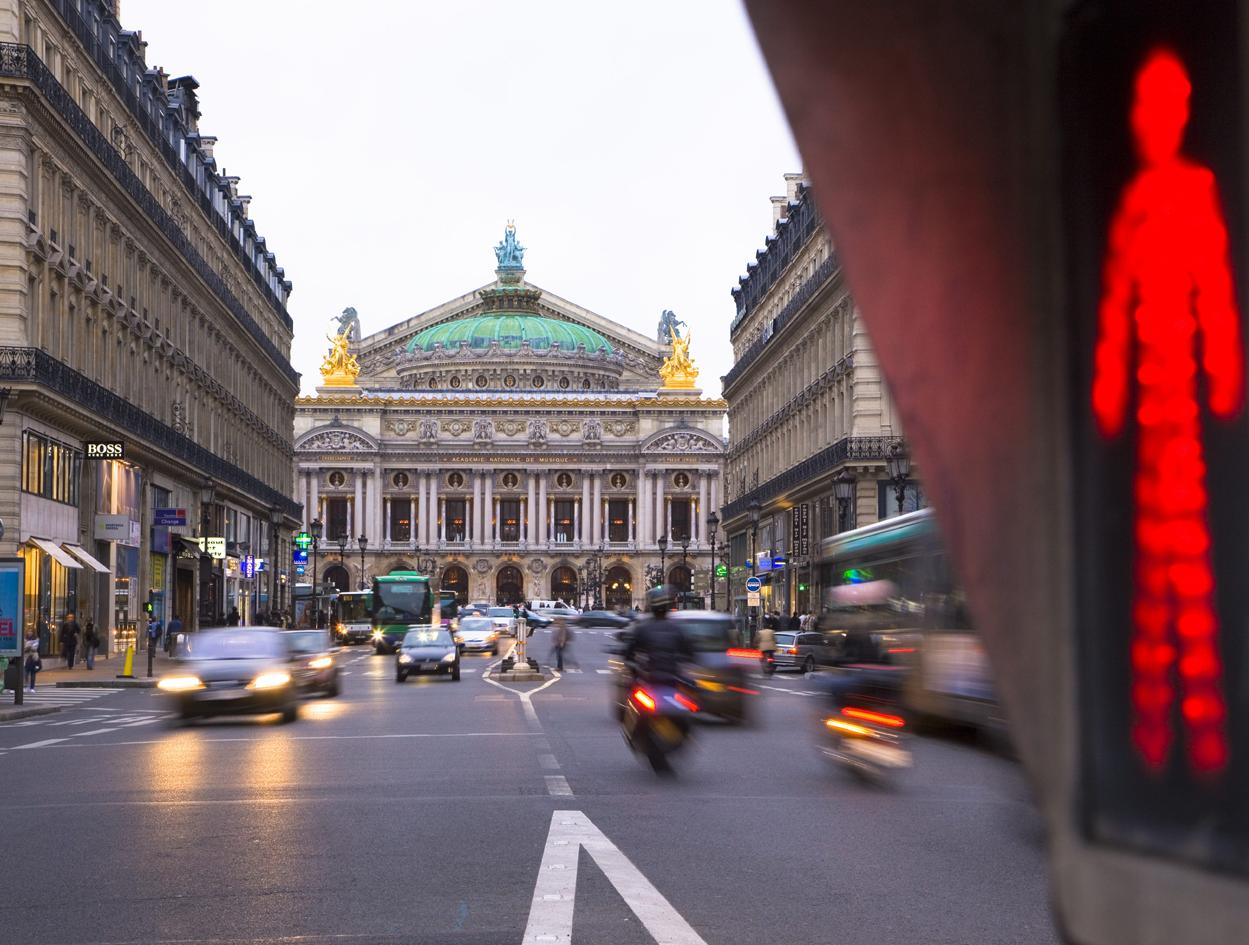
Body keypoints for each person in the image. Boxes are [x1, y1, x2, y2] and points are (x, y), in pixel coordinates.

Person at [623, 585, 694, 686]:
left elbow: (629, 654)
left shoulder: (643, 628)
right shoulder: (677, 628)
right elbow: (689, 654)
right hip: (672, 679)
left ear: (651, 607)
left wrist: (635, 672)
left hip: (650, 678)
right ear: (667, 608)